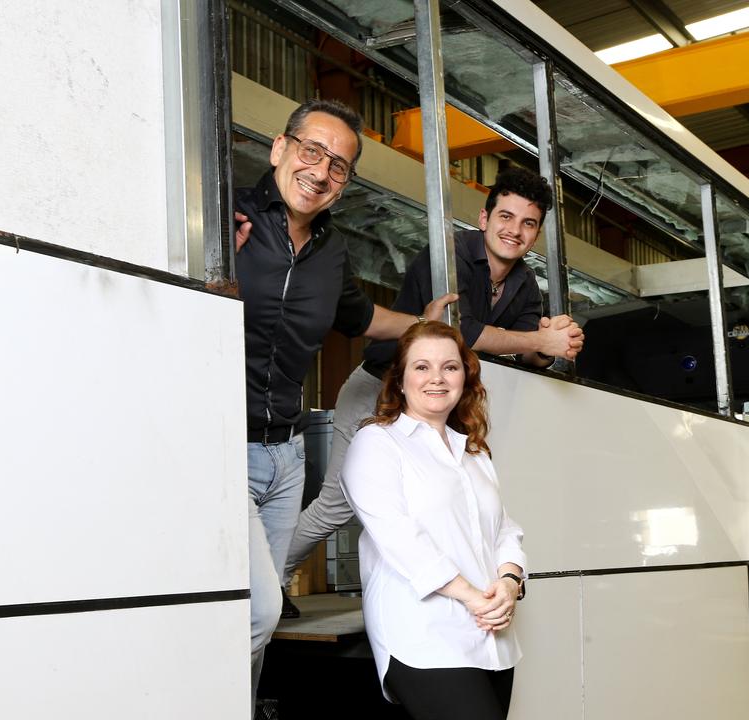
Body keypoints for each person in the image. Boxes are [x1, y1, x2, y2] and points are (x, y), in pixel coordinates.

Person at [233, 98, 455, 711]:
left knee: (257, 614)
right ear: (280, 149)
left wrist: (423, 324)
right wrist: (212, 260)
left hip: (286, 458)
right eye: (312, 150)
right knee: (257, 610)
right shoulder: (230, 221)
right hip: (220, 447)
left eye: (339, 165)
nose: (322, 171)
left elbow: (361, 317)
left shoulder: (331, 253)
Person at [284, 167, 581, 586]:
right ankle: (272, 580)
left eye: (528, 223)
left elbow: (530, 352)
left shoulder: (525, 282)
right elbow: (462, 331)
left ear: (536, 234)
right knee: (337, 502)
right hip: (379, 386)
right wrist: (538, 339)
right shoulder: (450, 254)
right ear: (484, 218)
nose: (515, 230)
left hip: (435, 406)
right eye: (506, 217)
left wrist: (557, 343)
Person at [342, 320, 526, 720]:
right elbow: (399, 538)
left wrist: (510, 584)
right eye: (422, 367)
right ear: (401, 379)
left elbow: (504, 530)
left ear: (465, 377)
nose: (437, 378)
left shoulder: (474, 453)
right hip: (423, 635)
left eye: (450, 367)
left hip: (491, 638)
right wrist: (473, 596)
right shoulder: (377, 443)